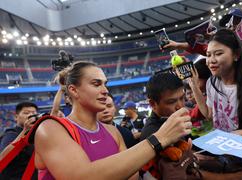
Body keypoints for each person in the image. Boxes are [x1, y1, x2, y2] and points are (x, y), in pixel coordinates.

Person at [34, 61, 192, 179]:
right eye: (96, 84)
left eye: (105, 84)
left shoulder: (112, 131)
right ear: (74, 90)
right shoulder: (50, 129)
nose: (105, 91)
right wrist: (160, 138)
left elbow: (133, 177)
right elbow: (82, 177)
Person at [0, 102, 38, 179]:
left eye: (34, 113)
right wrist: (25, 131)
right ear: (16, 117)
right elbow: (3, 158)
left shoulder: (37, 134)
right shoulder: (11, 134)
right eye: (26, 113)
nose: (30, 115)